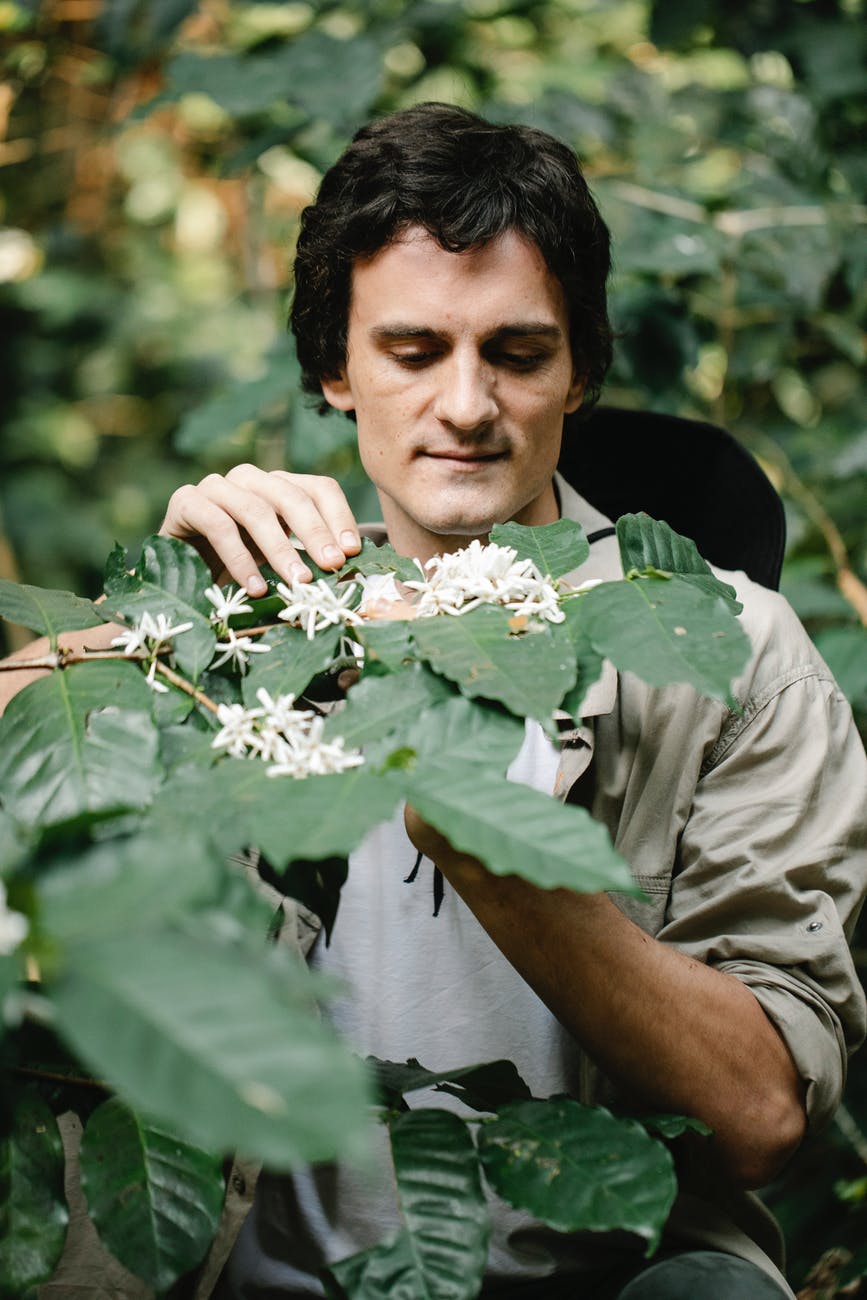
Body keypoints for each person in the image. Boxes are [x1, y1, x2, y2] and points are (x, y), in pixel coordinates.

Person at [5, 104, 866, 1300]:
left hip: (601, 1269)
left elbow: (762, 1112)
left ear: (580, 370)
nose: (467, 405)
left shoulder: (731, 647)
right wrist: (145, 643)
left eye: (516, 353)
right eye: (414, 352)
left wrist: (486, 845)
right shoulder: (242, 616)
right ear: (334, 367)